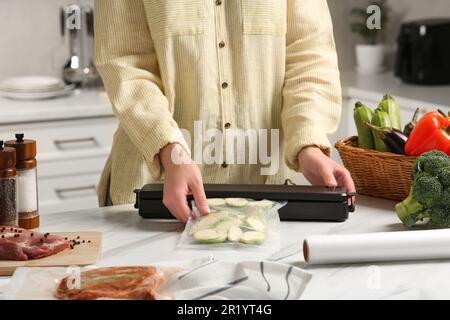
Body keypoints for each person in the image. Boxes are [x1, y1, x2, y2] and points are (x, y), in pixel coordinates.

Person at [94, 0, 355, 222]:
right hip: (154, 198)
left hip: (267, 201)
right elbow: (126, 65)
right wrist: (170, 151)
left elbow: (310, 56)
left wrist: (307, 144)